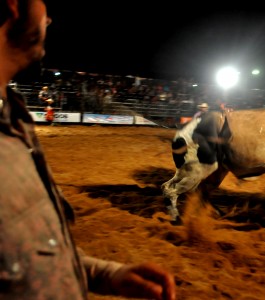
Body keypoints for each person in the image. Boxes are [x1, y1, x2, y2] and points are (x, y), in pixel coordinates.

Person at [0, 1, 176, 299]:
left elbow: (27, 252)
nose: (49, 19)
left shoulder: (12, 119)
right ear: (13, 6)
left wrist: (104, 274)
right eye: (43, 6)